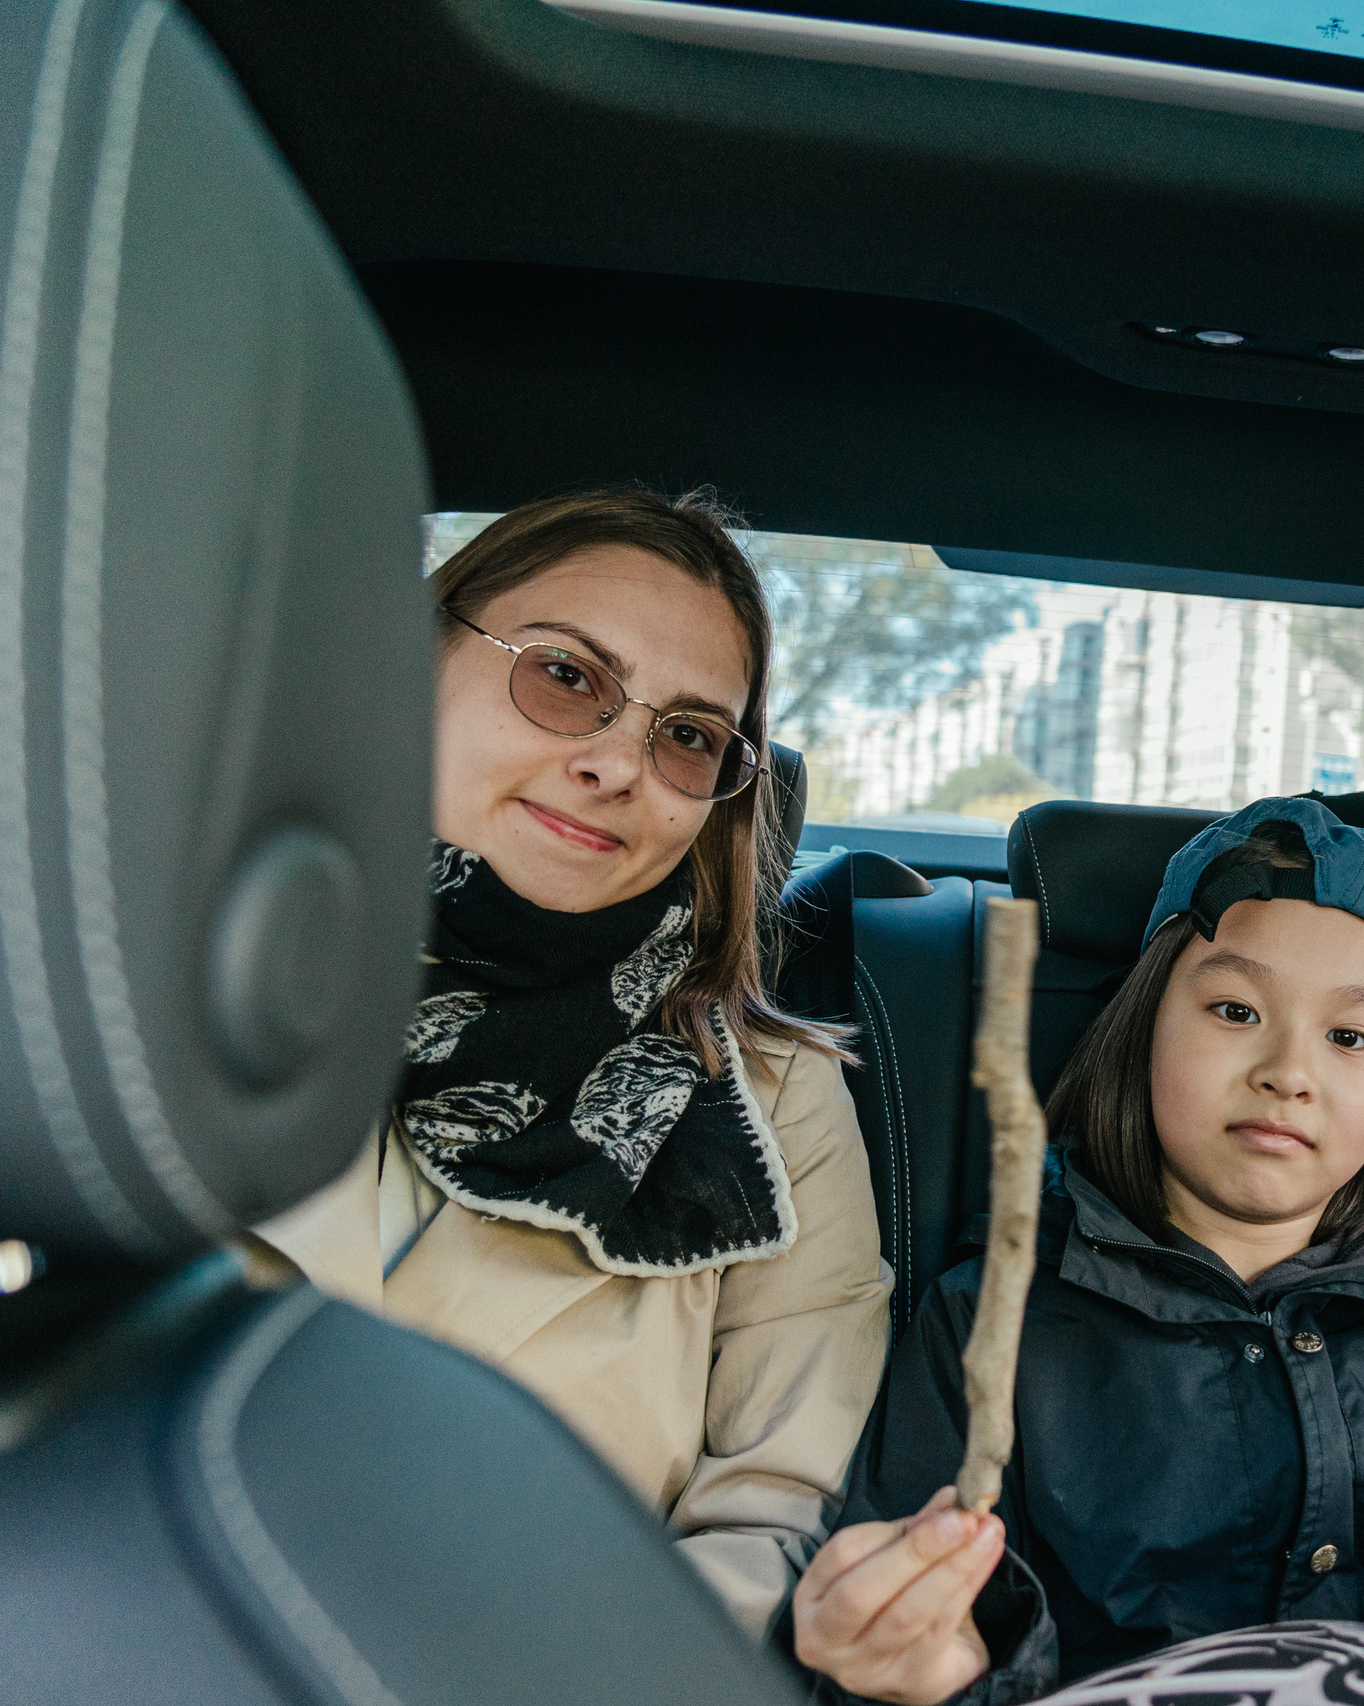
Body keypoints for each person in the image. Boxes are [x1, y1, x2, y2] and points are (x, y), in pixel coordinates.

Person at [788, 799, 1364, 1705]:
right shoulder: (993, 1318)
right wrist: (931, 1664)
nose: (1288, 1071)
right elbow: (914, 1620)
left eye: (1350, 1036)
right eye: (1236, 1012)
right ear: (1141, 1032)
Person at [250, 488, 892, 1636]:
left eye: (689, 735)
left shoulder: (779, 1098)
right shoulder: (152, 988)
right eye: (566, 676)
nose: (618, 762)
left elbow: (777, 1510)